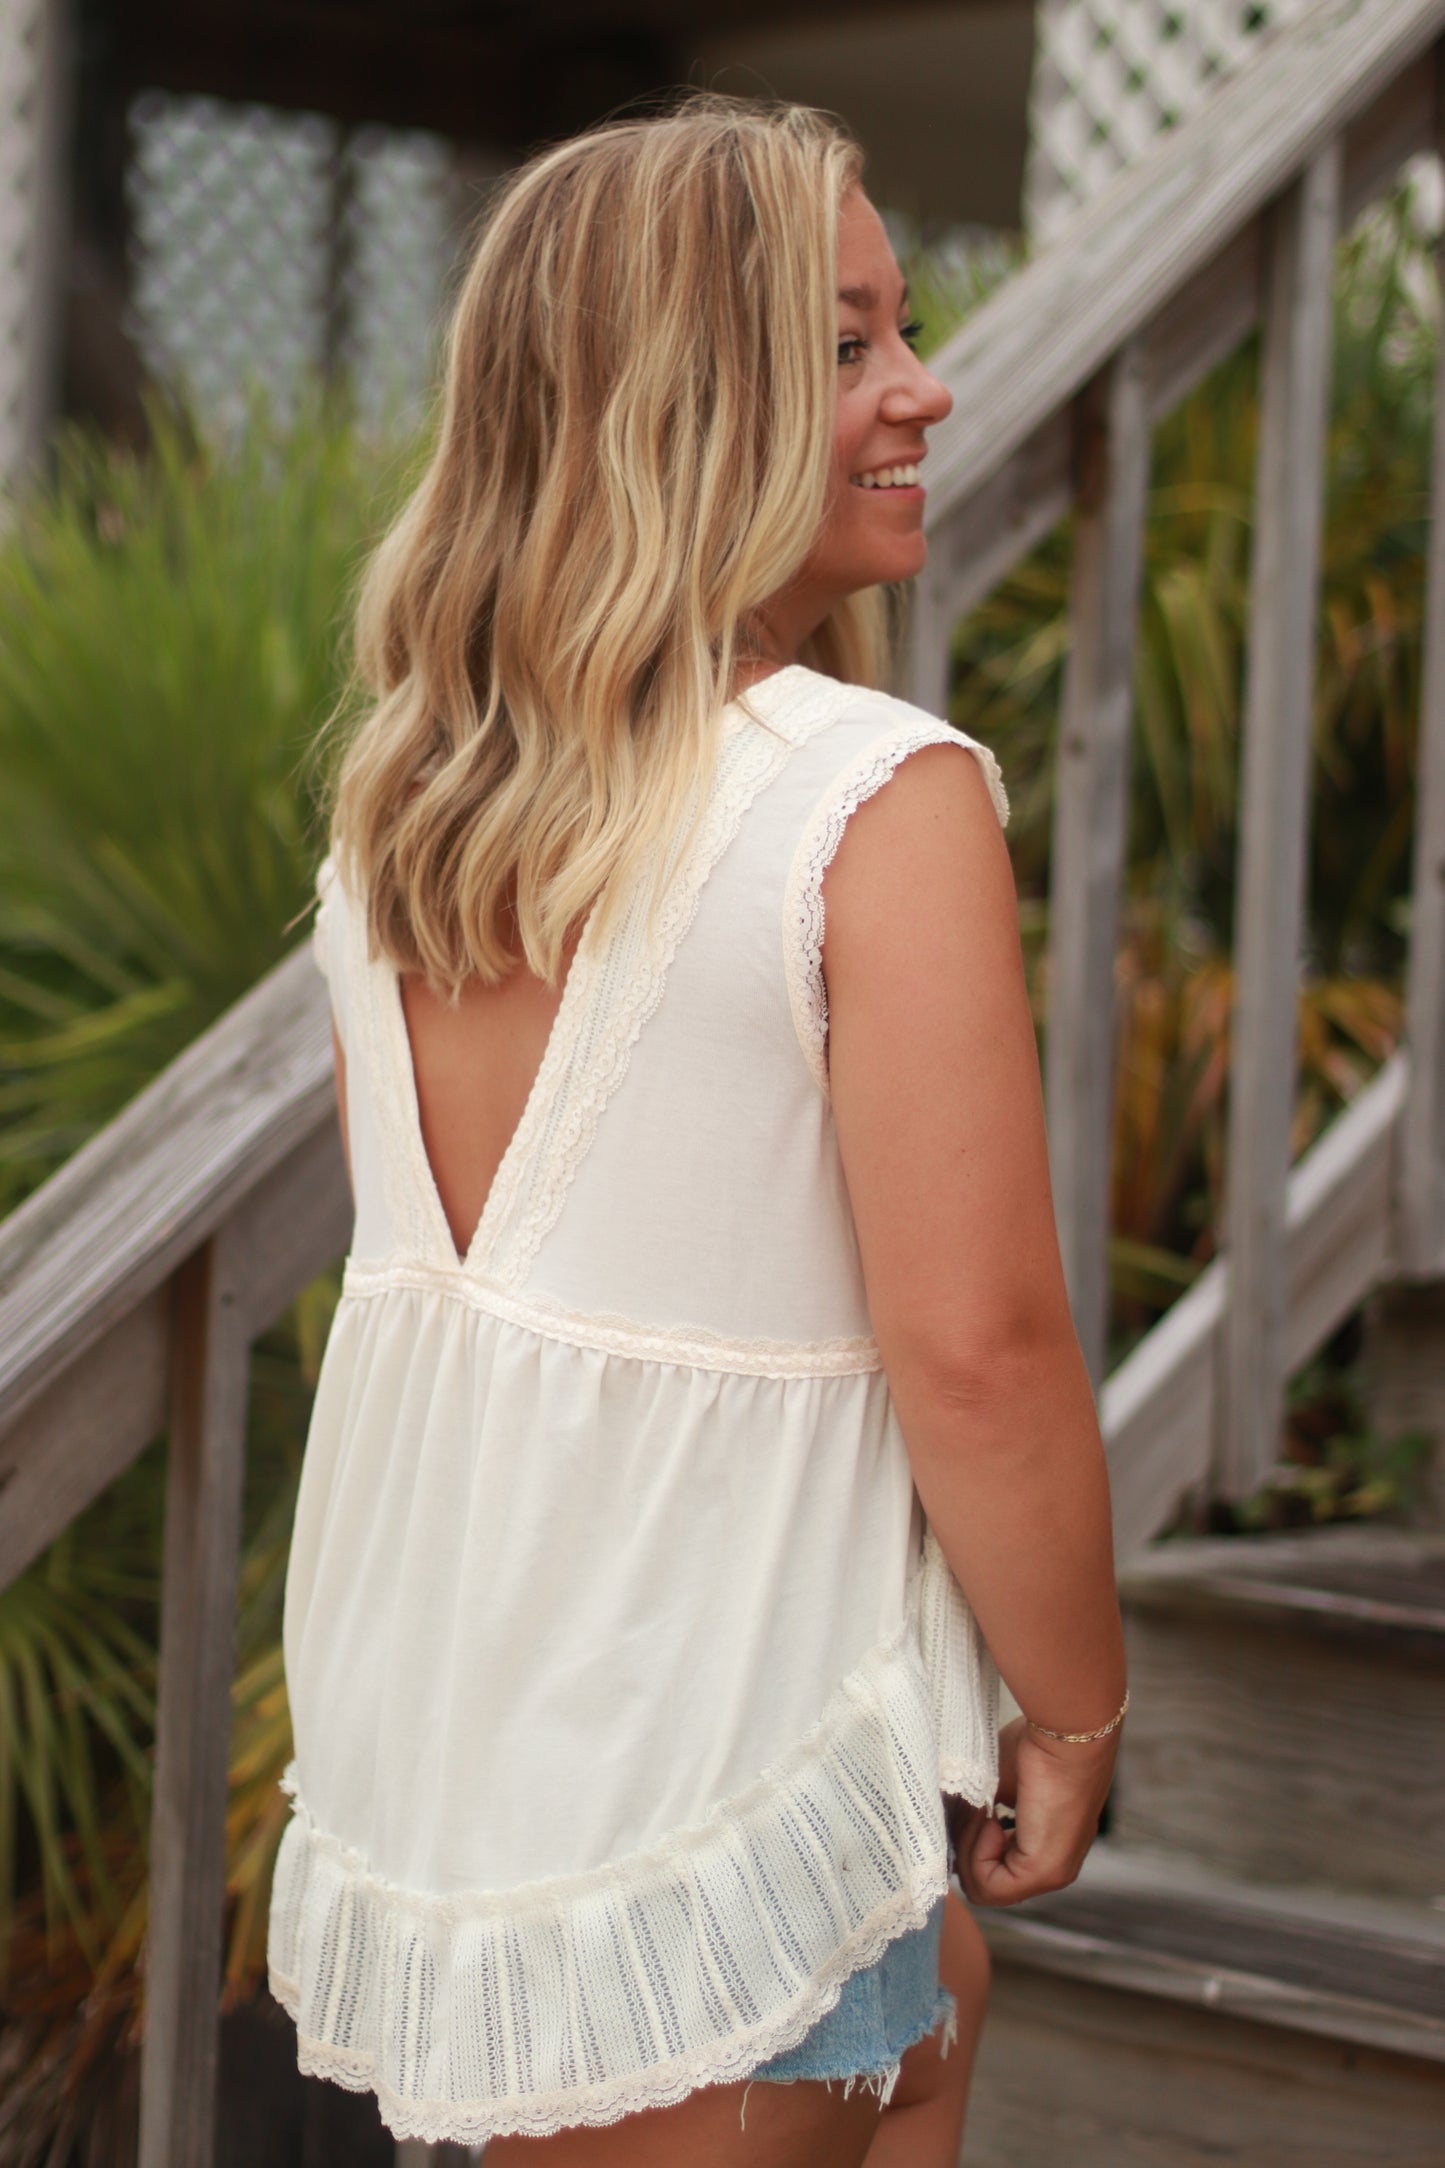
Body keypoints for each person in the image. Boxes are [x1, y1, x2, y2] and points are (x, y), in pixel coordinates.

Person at [266, 93, 1127, 2168]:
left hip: (494, 1780)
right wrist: (1077, 1707)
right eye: (845, 344)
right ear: (686, 395)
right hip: (730, 1782)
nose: (924, 387)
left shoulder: (407, 817)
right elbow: (982, 1347)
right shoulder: (864, 793)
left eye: (901, 328)